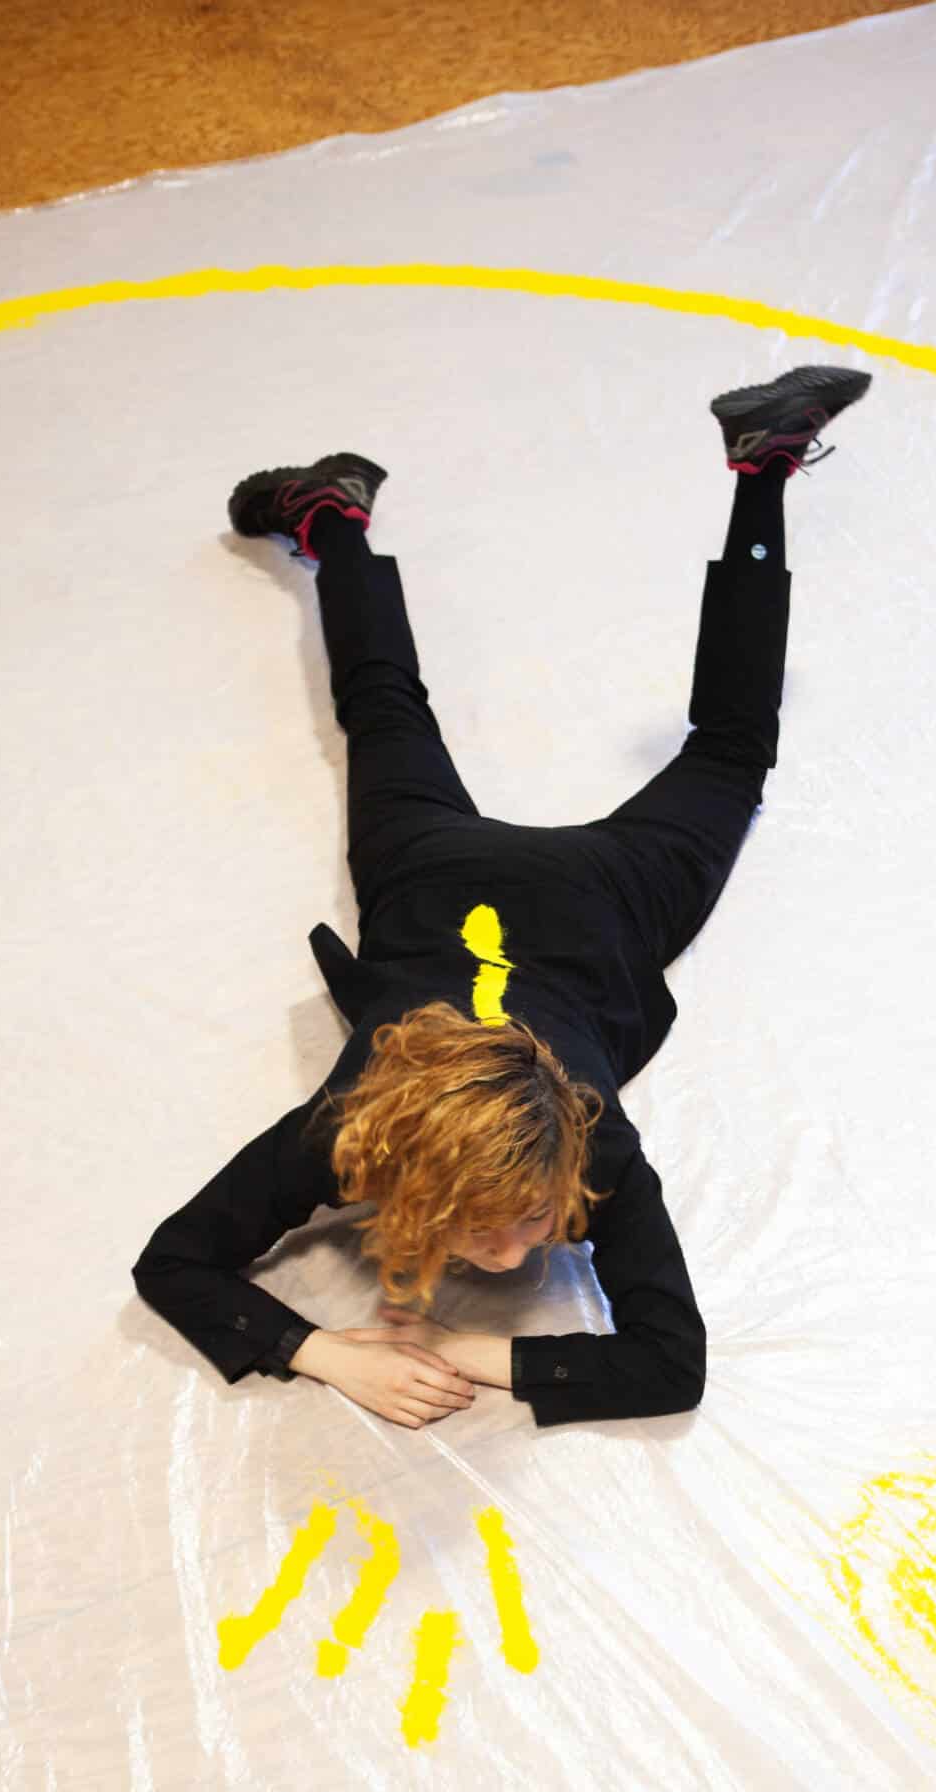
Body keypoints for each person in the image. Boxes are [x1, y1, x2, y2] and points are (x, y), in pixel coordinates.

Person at [131, 364, 872, 1430]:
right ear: (404, 1177)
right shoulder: (344, 1136)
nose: (522, 1250)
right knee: (415, 715)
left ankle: (764, 472)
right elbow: (170, 1261)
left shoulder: (587, 1143)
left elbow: (676, 1365)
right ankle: (328, 512)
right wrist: (320, 1353)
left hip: (544, 890)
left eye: (532, 1217)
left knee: (433, 718)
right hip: (495, 882)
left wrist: (460, 1347)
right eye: (487, 1228)